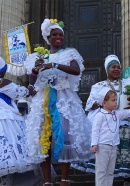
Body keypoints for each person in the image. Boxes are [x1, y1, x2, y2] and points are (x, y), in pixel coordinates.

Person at [24, 18, 92, 186]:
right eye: (54, 35)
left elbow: (76, 71)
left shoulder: (70, 53)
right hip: (43, 101)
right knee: (43, 139)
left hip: (64, 100)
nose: (58, 37)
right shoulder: (38, 56)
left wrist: (54, 64)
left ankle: (64, 178)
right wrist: (35, 69)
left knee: (64, 137)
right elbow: (32, 79)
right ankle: (47, 181)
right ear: (48, 37)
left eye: (60, 35)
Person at [72, 54, 130, 185]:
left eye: (118, 67)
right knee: (104, 158)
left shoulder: (128, 84)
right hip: (106, 124)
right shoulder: (99, 86)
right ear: (107, 70)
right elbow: (89, 105)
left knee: (125, 152)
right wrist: (103, 103)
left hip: (124, 122)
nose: (116, 69)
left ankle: (126, 179)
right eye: (113, 67)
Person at [91, 87, 130, 186]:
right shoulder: (99, 116)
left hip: (114, 146)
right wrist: (94, 144)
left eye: (116, 100)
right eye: (113, 100)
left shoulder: (116, 114)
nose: (116, 102)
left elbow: (128, 113)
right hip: (102, 147)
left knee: (110, 172)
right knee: (101, 171)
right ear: (104, 103)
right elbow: (95, 131)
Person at [0, 57, 35, 185]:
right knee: (7, 166)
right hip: (6, 123)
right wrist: (32, 83)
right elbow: (25, 93)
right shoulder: (4, 83)